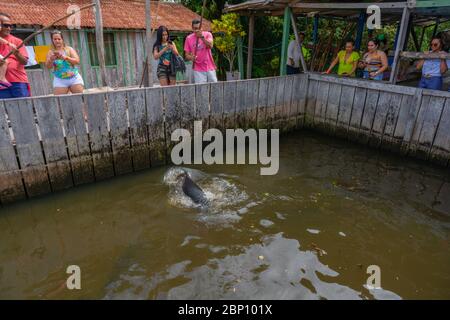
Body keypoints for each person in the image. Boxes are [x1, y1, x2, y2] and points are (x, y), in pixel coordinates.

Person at [0, 13, 30, 99]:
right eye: (6, 25)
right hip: (1, 85)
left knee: (24, 107)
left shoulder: (17, 41)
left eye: (10, 26)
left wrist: (17, 54)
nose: (9, 28)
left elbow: (24, 62)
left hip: (18, 81)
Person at [45, 30, 84, 95]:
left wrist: (66, 57)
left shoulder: (69, 49)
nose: (57, 41)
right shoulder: (50, 52)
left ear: (62, 39)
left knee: (79, 98)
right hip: (60, 79)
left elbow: (77, 61)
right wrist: (51, 60)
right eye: (55, 39)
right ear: (52, 40)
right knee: (59, 101)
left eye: (59, 39)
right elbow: (48, 67)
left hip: (74, 78)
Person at [184, 19, 217, 83]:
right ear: (192, 28)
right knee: (201, 90)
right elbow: (186, 55)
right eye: (195, 28)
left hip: (210, 67)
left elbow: (210, 46)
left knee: (214, 88)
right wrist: (191, 57)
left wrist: (202, 37)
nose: (196, 30)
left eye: (198, 28)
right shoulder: (188, 38)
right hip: (198, 69)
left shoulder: (208, 34)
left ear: (201, 27)